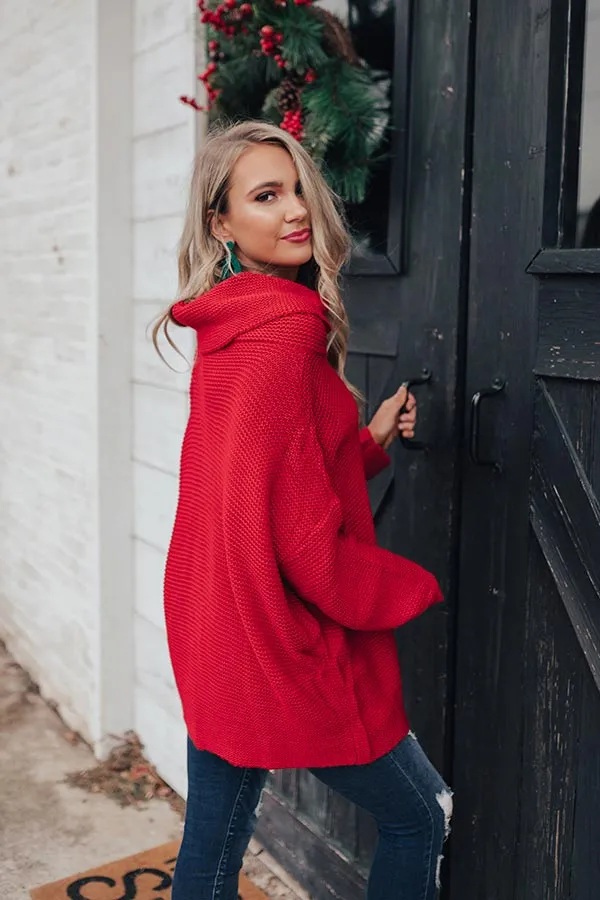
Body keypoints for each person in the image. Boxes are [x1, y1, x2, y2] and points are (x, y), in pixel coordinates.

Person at [154, 120, 452, 900]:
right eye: (265, 195)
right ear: (220, 223)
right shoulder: (284, 333)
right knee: (421, 814)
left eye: (297, 192)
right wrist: (405, 589)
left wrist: (368, 440)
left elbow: (260, 483)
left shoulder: (231, 325)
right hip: (276, 636)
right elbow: (306, 543)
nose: (296, 213)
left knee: (213, 848)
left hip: (214, 623)